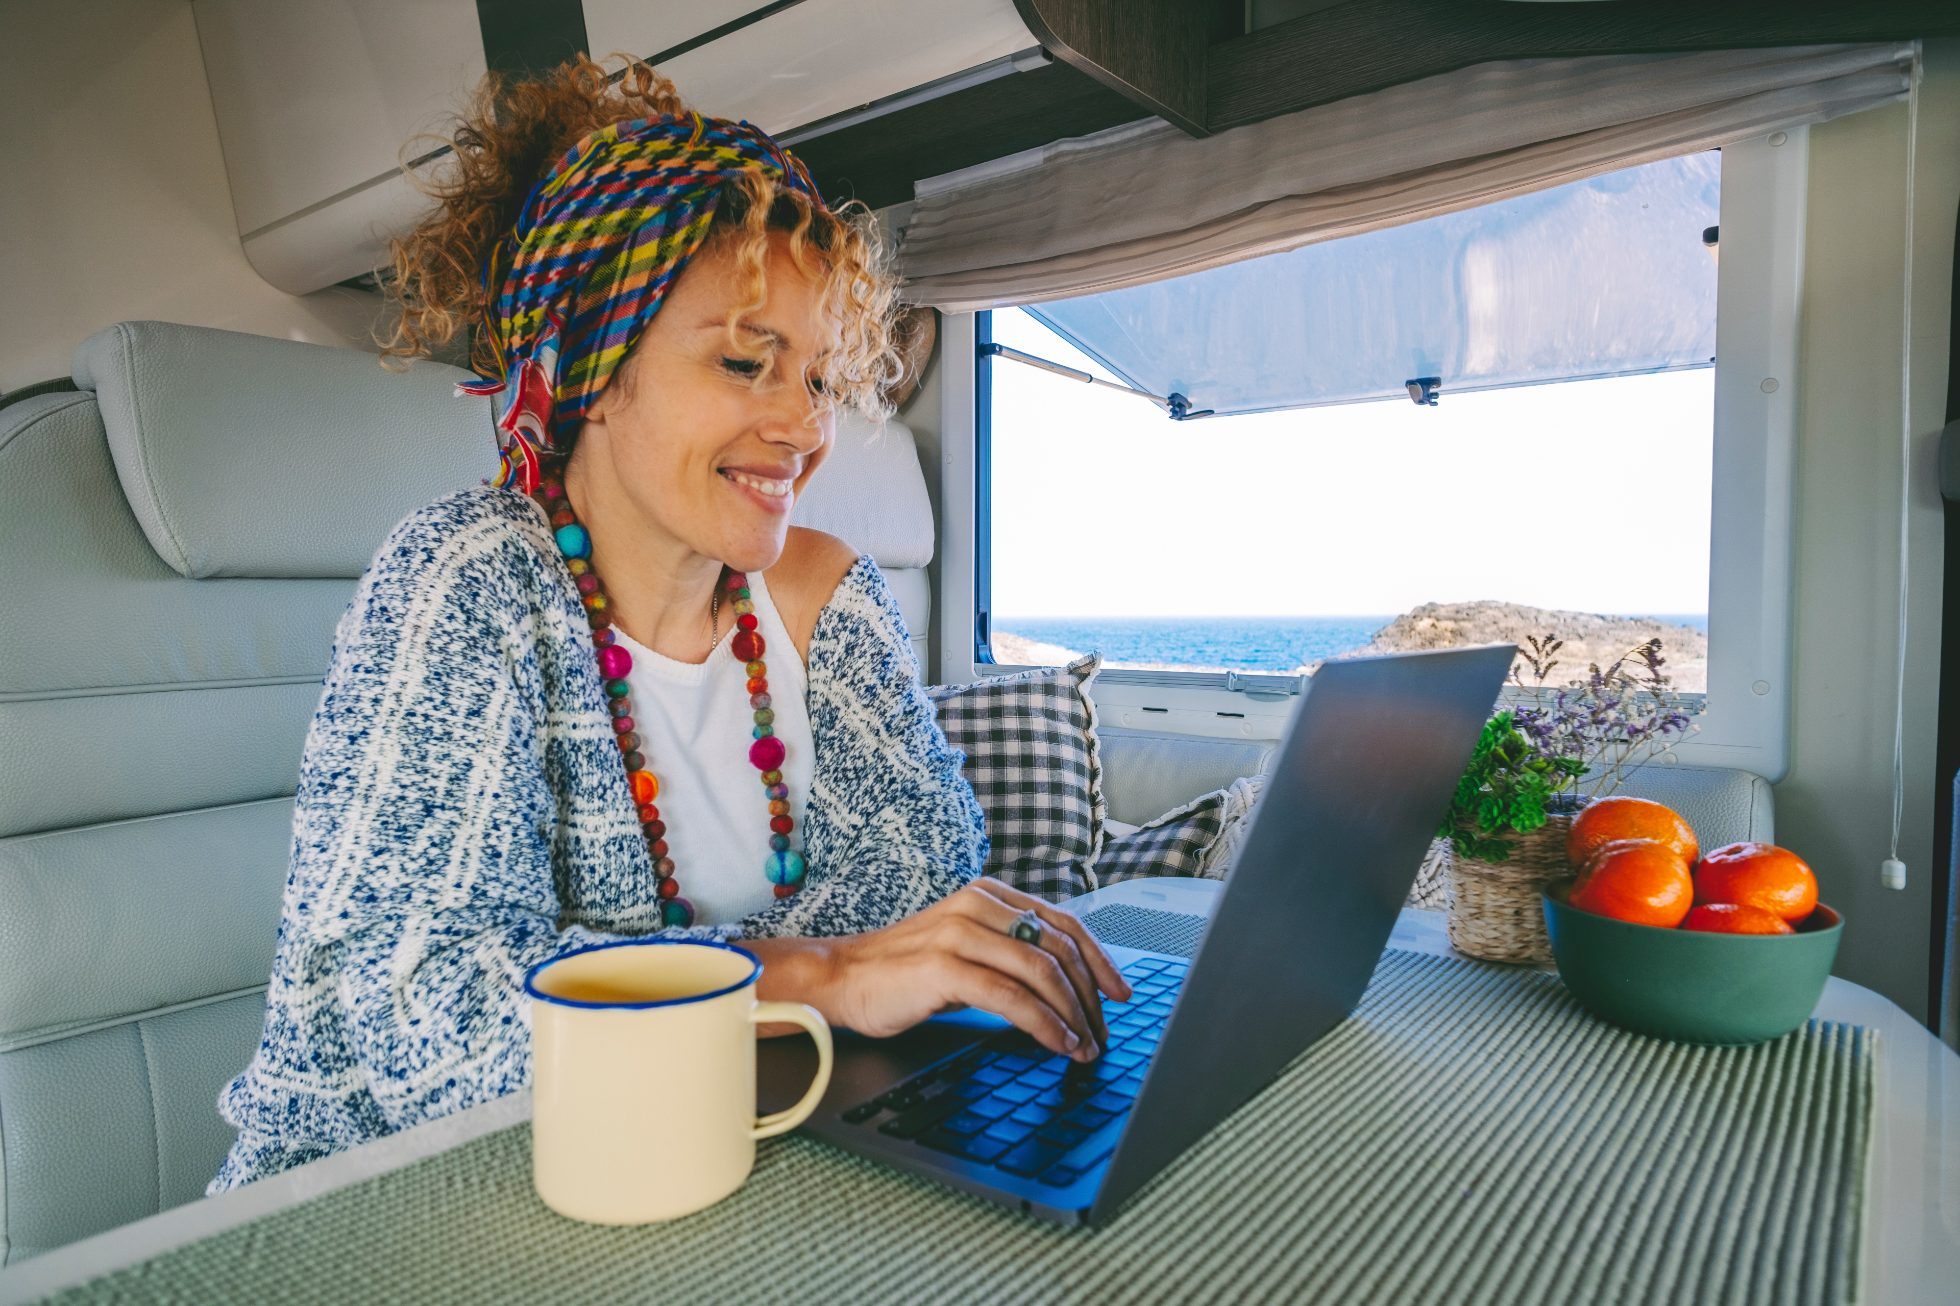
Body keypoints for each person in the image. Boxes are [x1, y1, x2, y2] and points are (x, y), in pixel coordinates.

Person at [209, 58, 1129, 1192]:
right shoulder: (468, 582)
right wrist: (813, 972)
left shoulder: (827, 593)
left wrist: (849, 965)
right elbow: (417, 1019)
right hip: (388, 1205)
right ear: (588, 367)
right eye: (746, 362)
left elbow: (921, 892)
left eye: (817, 376)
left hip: (711, 1161)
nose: (804, 426)